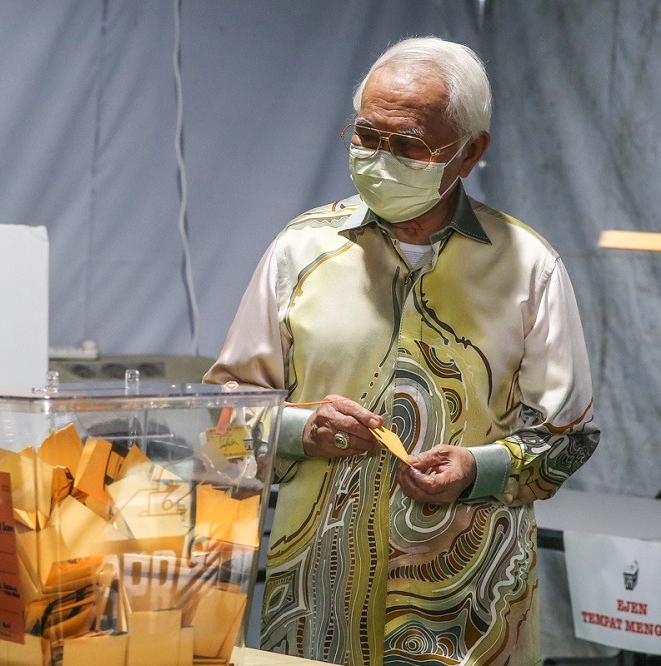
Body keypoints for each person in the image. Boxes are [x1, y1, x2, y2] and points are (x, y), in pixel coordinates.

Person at [204, 36, 599, 666]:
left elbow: (569, 438)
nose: (380, 158)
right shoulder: (299, 253)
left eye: (408, 145)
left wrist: (478, 469)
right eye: (366, 136)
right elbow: (223, 419)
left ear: (470, 152)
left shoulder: (529, 268)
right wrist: (303, 429)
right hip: (314, 606)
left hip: (473, 611)